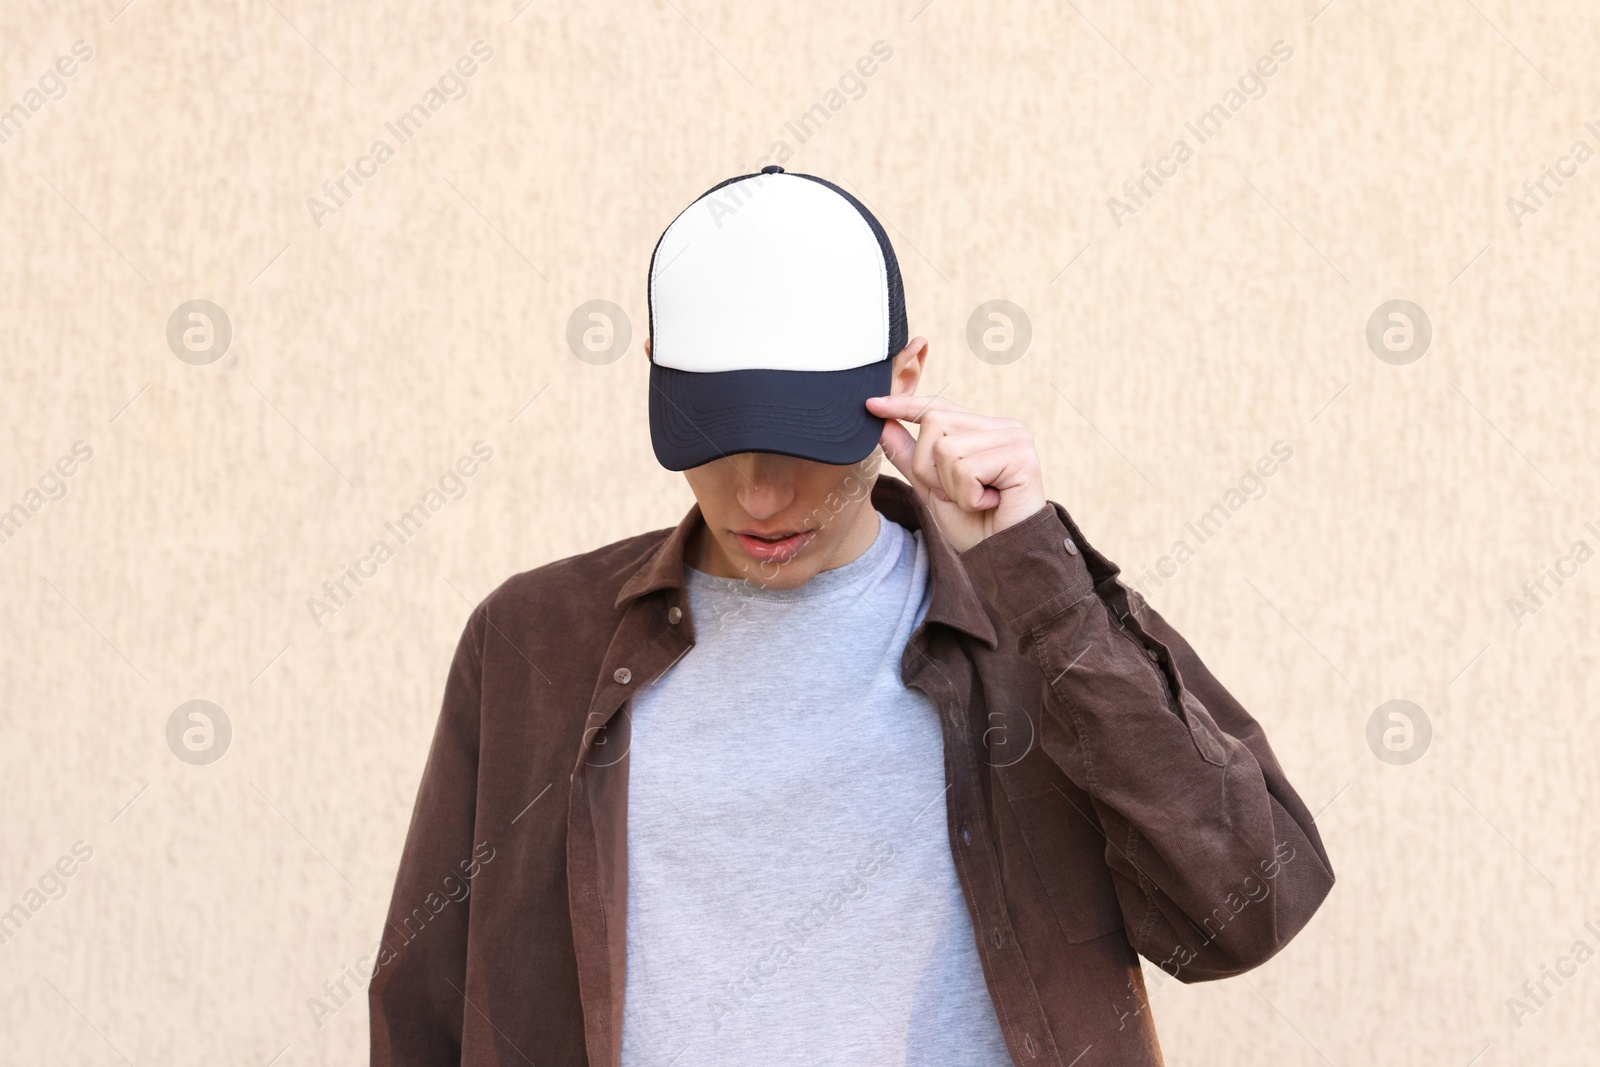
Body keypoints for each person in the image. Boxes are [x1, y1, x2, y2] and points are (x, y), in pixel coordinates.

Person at [368, 168, 1334, 1067]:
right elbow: (426, 1006)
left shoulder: (1029, 620)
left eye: (806, 441)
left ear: (905, 380)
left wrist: (1036, 569)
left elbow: (1249, 909)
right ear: (659, 372)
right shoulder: (535, 640)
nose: (756, 495)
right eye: (718, 435)